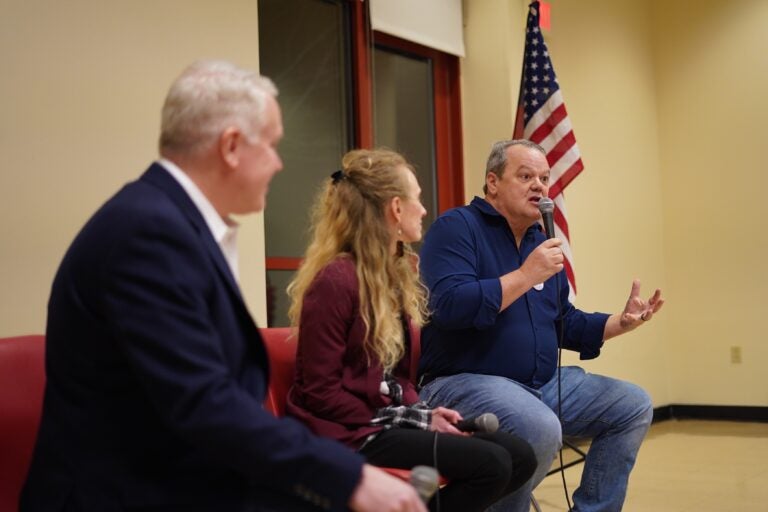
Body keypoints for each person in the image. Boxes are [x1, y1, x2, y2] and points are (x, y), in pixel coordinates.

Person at [21, 60, 426, 512]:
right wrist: (349, 476)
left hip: (176, 474)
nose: (278, 163)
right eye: (271, 145)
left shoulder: (171, 224)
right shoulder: (148, 235)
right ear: (231, 146)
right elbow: (202, 403)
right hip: (123, 492)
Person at [417, 139, 665, 512]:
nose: (539, 185)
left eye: (545, 178)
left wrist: (621, 322)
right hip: (462, 382)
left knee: (632, 404)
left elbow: (562, 321)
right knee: (539, 426)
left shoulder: (541, 241)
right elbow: (449, 306)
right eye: (526, 175)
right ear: (493, 182)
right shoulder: (456, 228)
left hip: (538, 387)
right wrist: (524, 274)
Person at [285, 149, 537, 512]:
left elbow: (398, 378)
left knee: (519, 455)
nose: (423, 209)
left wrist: (424, 413)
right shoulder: (336, 280)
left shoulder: (395, 275)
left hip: (384, 421)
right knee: (491, 464)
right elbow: (320, 393)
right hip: (348, 432)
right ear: (395, 208)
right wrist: (407, 418)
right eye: (417, 199)